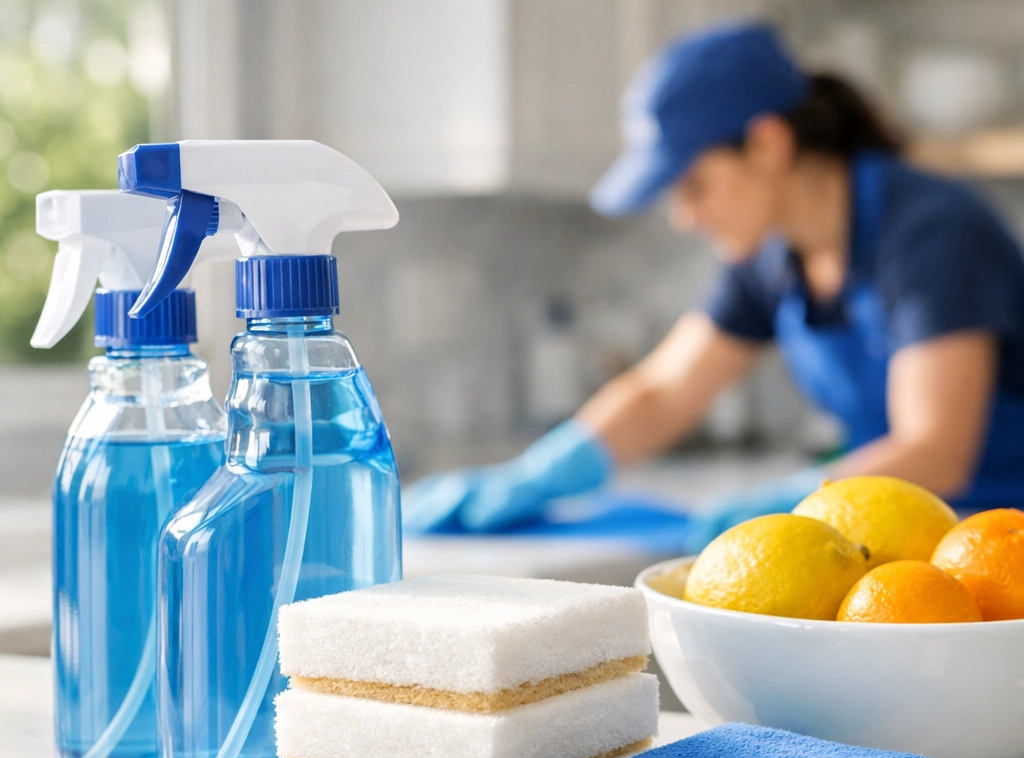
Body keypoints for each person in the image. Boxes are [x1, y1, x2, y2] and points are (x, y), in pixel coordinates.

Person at [404, 22, 1024, 549]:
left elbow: (937, 452)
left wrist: (788, 500)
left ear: (767, 143)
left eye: (695, 186)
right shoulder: (773, 256)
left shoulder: (933, 235)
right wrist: (538, 474)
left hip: (997, 547)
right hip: (903, 538)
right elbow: (663, 392)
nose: (685, 217)